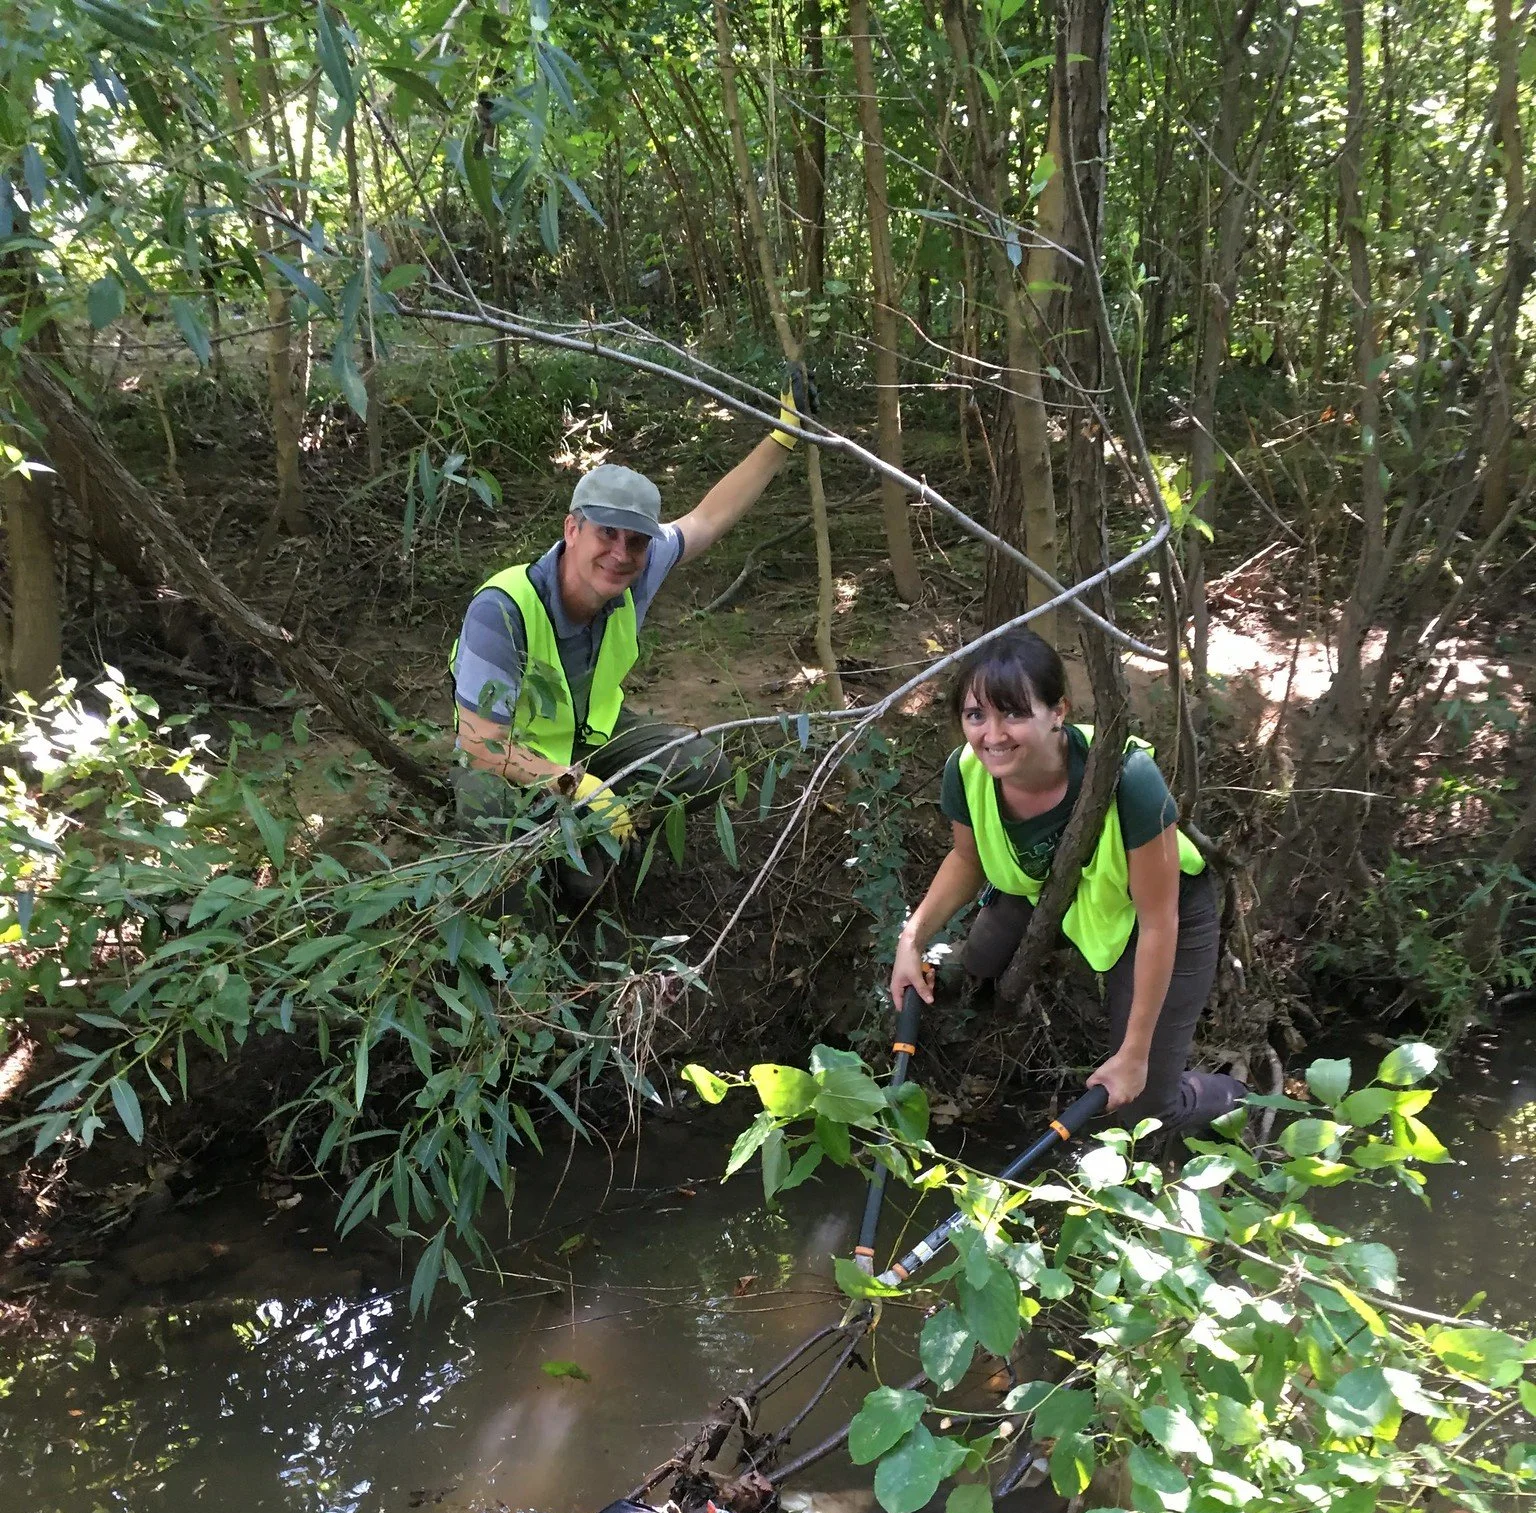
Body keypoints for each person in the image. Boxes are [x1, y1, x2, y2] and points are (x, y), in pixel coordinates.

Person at [451, 380, 810, 892]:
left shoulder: (639, 567)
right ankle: (513, 938)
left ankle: (602, 842)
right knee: (487, 810)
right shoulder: (502, 610)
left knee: (702, 766)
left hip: (593, 740)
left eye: (636, 541)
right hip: (511, 760)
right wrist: (576, 785)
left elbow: (708, 518)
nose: (621, 554)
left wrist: (783, 437)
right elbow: (480, 744)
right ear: (572, 529)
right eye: (607, 534)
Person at [890, 626, 1243, 1140]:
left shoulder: (1128, 778)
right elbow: (966, 859)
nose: (992, 735)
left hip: (1159, 918)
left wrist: (1134, 1054)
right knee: (980, 961)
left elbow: (1158, 921)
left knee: (1144, 1108)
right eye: (975, 715)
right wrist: (911, 939)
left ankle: (1236, 1096)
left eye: (1013, 712)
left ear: (1059, 711)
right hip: (1051, 891)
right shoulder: (966, 770)